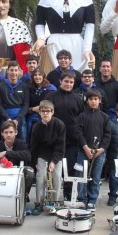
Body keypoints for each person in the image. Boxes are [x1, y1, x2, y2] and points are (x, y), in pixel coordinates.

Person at [34, 0, 95, 72]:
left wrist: (87, 49)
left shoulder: (84, 0)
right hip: (53, 45)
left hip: (77, 46)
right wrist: (41, 38)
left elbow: (90, 26)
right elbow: (39, 23)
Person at [44, 71, 84, 200]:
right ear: (60, 81)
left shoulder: (77, 99)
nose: (68, 84)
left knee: (70, 169)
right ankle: (51, 197)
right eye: (66, 81)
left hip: (72, 140)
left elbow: (81, 119)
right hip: (54, 139)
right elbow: (45, 117)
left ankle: (68, 195)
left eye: (71, 82)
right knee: (53, 169)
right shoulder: (51, 96)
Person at [75, 90, 111, 210]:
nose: (93, 101)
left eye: (96, 99)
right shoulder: (81, 116)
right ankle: (81, 199)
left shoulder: (104, 117)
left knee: (95, 177)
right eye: (91, 99)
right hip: (83, 151)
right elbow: (78, 133)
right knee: (81, 176)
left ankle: (92, 200)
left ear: (99, 101)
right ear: (87, 101)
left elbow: (107, 135)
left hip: (99, 153)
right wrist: (85, 147)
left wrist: (101, 149)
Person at [30, 100, 65, 215]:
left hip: (56, 155)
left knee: (57, 176)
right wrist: (36, 161)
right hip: (42, 155)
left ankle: (53, 202)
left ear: (53, 112)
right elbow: (34, 147)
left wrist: (54, 162)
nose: (45, 113)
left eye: (48, 111)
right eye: (43, 111)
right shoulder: (36, 127)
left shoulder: (60, 125)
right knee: (41, 177)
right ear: (39, 113)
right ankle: (39, 204)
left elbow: (60, 146)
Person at [0, 121, 34, 204]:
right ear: (2, 133)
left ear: (16, 132)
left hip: (18, 172)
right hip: (3, 171)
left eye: (11, 132)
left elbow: (28, 156)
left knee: (30, 171)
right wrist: (1, 163)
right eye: (6, 132)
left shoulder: (20, 143)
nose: (8, 135)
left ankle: (24, 196)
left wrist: (6, 153)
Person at [0, 61, 29, 142]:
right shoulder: (1, 86)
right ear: (8, 71)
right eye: (11, 70)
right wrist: (7, 118)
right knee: (5, 140)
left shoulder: (24, 86)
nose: (13, 72)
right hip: (6, 116)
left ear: (19, 71)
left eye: (15, 70)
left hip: (20, 117)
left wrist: (18, 119)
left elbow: (26, 104)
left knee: (22, 140)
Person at [27, 67, 56, 143]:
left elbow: (55, 104)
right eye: (35, 75)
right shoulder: (29, 88)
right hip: (31, 119)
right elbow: (24, 106)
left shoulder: (51, 89)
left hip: (46, 119)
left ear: (43, 76)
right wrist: (32, 109)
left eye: (40, 75)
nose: (37, 77)